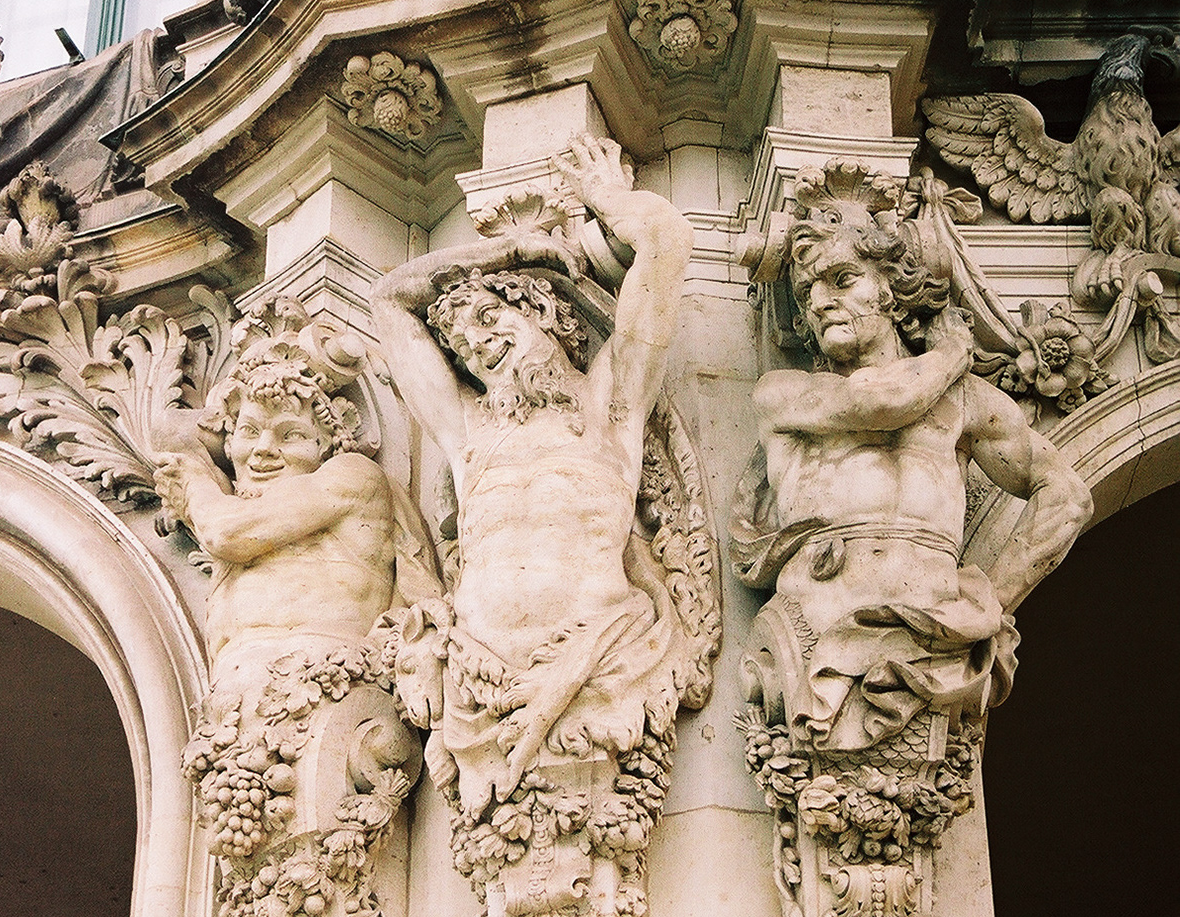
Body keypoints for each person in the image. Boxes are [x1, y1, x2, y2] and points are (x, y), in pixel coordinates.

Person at [369, 133, 695, 817]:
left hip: (595, 655)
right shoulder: (469, 434)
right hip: (480, 673)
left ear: (544, 313)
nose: (480, 343)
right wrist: (501, 253)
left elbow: (665, 245)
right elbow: (389, 306)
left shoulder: (609, 405)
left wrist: (607, 200)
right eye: (463, 343)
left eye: (494, 318)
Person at [734, 164, 1093, 752]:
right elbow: (882, 401)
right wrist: (954, 350)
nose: (822, 302)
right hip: (817, 620)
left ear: (892, 288)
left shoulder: (968, 405)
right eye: (807, 291)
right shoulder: (784, 394)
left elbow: (1067, 497)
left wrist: (990, 603)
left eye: (842, 279)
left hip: (941, 631)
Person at [154, 330, 440, 701]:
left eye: (290, 436)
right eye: (249, 431)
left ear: (324, 446)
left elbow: (227, 534)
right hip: (231, 704)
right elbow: (167, 430)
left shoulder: (352, 475)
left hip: (327, 687)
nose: (263, 451)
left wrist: (195, 487)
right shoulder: (235, 504)